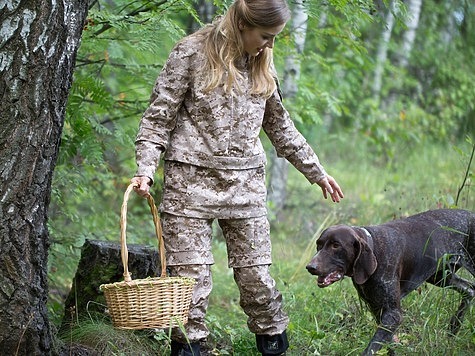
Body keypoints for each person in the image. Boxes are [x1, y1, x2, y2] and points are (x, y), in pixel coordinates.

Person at [131, 0, 344, 354]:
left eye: (275, 38)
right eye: (265, 36)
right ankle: (189, 348)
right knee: (189, 284)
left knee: (257, 278)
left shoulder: (262, 64)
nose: (269, 45)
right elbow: (158, 118)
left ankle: (273, 346)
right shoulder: (190, 53)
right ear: (243, 24)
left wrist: (316, 171)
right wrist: (145, 169)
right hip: (189, 187)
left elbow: (280, 126)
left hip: (245, 187)